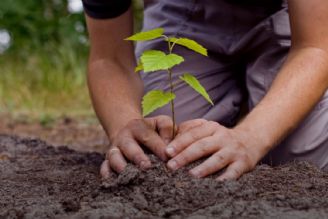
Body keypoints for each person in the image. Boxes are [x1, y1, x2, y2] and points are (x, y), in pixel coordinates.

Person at [82, 0, 328, 180]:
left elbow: (316, 47)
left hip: (291, 14)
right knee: (167, 149)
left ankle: (251, 104)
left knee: (303, 157)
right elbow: (109, 58)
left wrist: (251, 137)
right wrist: (124, 126)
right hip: (183, 10)